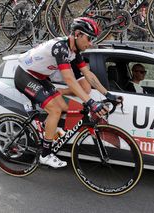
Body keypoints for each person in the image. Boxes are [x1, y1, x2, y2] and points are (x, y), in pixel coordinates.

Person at [14, 17, 122, 168]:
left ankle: (46, 131)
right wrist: (90, 102)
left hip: (40, 77)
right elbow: (70, 80)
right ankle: (45, 155)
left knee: (64, 108)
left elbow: (89, 75)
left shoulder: (74, 52)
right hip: (24, 76)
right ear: (77, 34)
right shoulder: (61, 48)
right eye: (89, 38)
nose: (90, 43)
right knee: (55, 110)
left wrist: (108, 95)